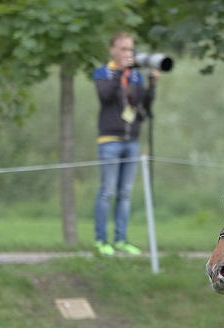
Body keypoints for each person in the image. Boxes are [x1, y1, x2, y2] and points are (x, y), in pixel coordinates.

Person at [92, 32, 159, 257]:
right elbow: (105, 97)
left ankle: (121, 240)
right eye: (122, 49)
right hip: (109, 140)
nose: (127, 53)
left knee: (125, 193)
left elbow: (144, 104)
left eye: (130, 49)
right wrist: (120, 71)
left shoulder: (135, 76)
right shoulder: (103, 72)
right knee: (107, 192)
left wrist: (152, 83)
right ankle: (101, 241)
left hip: (131, 141)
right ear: (112, 50)